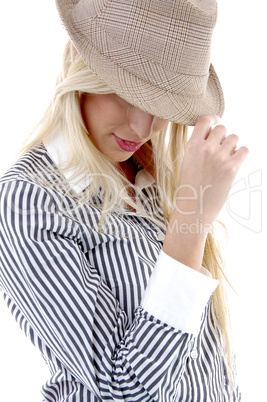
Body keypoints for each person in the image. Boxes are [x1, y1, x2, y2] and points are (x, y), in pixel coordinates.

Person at [0, 0, 248, 400]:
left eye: (161, 103)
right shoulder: (30, 200)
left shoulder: (152, 178)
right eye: (126, 92)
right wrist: (191, 218)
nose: (143, 126)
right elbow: (124, 390)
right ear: (81, 70)